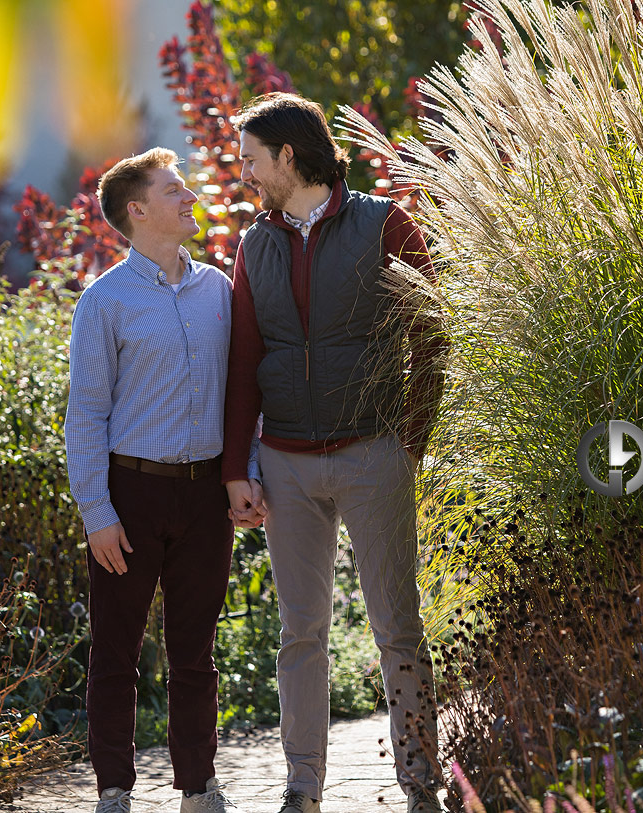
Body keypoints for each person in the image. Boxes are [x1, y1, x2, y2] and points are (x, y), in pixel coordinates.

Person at [222, 93, 448, 813]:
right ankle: (301, 787)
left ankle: (420, 784)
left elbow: (432, 332)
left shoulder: (384, 222)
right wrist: (237, 467)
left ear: (288, 156)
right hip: (285, 462)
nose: (246, 173)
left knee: (397, 627)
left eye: (253, 159)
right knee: (301, 633)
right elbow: (244, 358)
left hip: (372, 449)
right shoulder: (254, 242)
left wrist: (411, 439)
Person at [65, 147, 251, 813]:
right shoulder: (105, 301)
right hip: (129, 494)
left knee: (195, 651)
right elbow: (85, 411)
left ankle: (198, 786)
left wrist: (244, 472)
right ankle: (114, 787)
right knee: (117, 650)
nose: (190, 197)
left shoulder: (220, 294)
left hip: (206, 493)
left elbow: (240, 393)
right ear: (138, 210)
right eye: (176, 190)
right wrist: (96, 509)